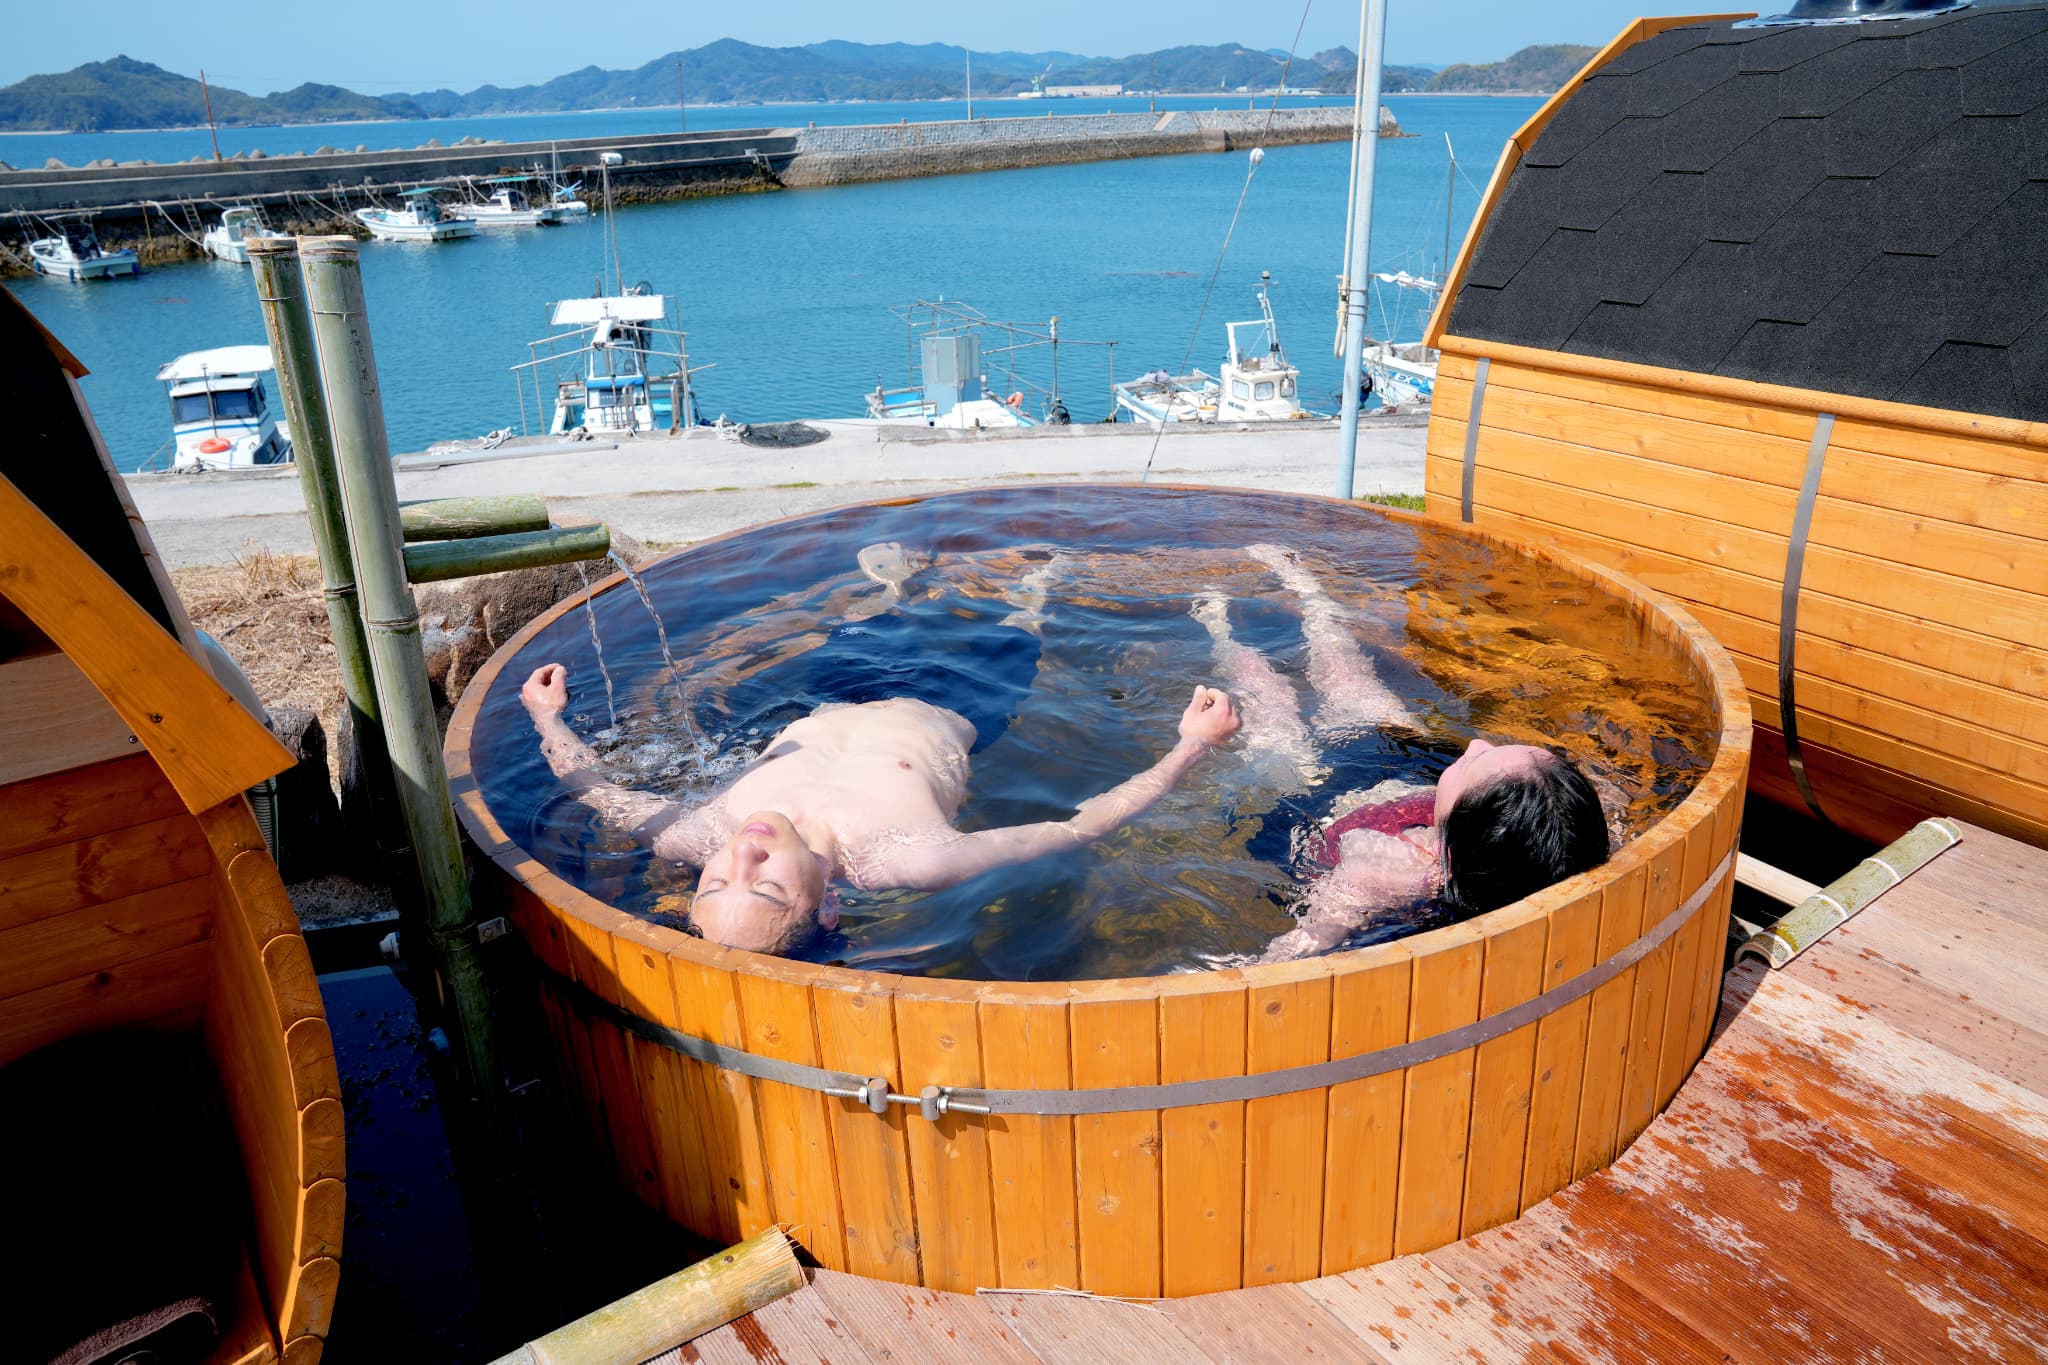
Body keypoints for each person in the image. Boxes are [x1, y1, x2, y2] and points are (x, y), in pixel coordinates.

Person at [520, 663, 1241, 955]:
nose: (742, 852)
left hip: (834, 684)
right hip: (969, 693)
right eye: (766, 883)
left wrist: (547, 717)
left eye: (715, 881)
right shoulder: (908, 854)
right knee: (1022, 615)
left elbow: (593, 788)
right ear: (828, 904)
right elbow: (1080, 825)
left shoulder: (699, 832)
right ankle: (1034, 592)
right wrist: (1190, 746)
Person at [1199, 544, 1609, 962]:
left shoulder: (1394, 874)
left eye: (1470, 763)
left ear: (1455, 844)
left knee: (1264, 700)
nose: (1473, 743)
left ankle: (1216, 622)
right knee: (1344, 671)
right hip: (1390, 768)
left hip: (1313, 788)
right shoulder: (1539, 835)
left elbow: (1311, 938)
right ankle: (1307, 590)